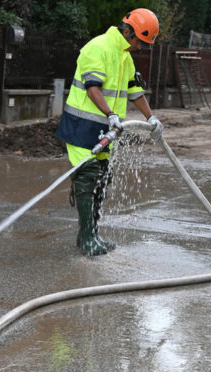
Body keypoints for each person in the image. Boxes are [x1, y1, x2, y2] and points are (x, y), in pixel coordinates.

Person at [55, 8, 163, 256]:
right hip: (82, 127)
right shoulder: (98, 47)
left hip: (106, 129)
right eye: (140, 42)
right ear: (127, 32)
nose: (141, 48)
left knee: (102, 180)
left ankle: (92, 234)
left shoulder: (125, 56)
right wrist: (110, 114)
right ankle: (86, 238)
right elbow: (92, 88)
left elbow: (134, 91)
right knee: (87, 177)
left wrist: (152, 118)